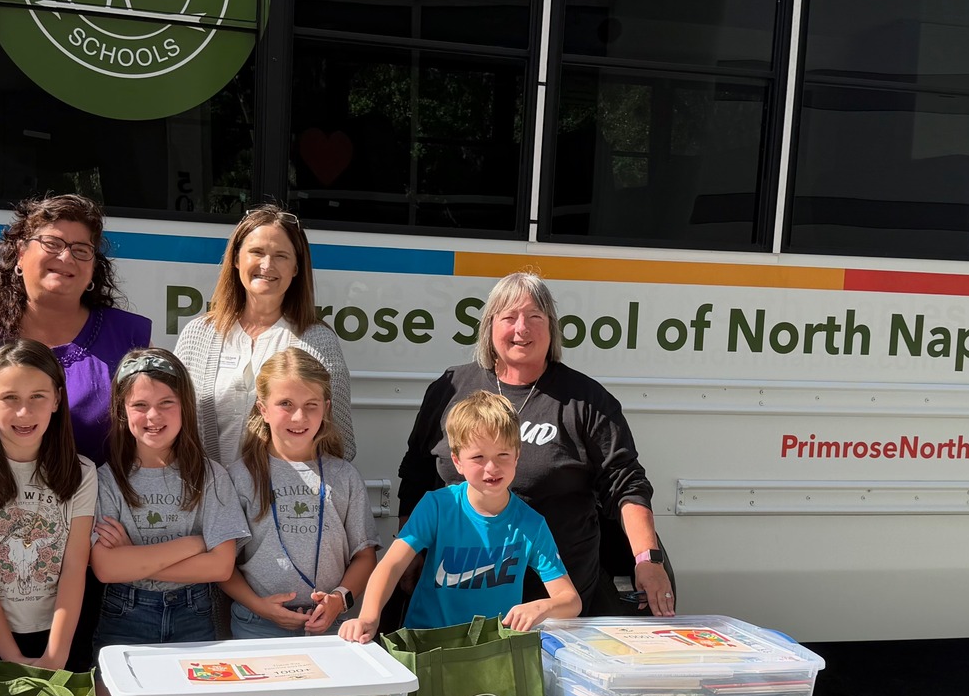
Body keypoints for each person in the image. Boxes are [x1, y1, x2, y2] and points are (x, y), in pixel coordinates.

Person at [398, 272, 675, 617]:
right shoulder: (451, 388)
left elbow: (626, 484)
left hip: (555, 607)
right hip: (455, 604)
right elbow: (417, 473)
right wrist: (408, 551)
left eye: (534, 317)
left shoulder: (586, 401)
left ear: (552, 327)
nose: (522, 328)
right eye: (509, 317)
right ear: (489, 325)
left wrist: (648, 560)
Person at [0, 193, 151, 463]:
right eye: (52, 243)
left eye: (81, 250)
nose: (66, 257)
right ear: (21, 254)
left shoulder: (130, 338)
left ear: (93, 268)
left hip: (101, 492)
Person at [342, 392, 581, 642]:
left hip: (492, 651)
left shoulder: (531, 524)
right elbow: (391, 565)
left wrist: (542, 607)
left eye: (503, 455)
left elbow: (570, 601)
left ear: (517, 456)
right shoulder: (437, 506)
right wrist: (369, 617)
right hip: (426, 646)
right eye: (478, 457)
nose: (492, 467)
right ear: (457, 461)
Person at [0, 339, 97, 667]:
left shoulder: (82, 472)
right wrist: (12, 656)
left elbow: (74, 567)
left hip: (60, 637)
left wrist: (56, 654)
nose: (24, 412)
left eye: (38, 396)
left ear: (57, 399)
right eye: (10, 398)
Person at [173, 205, 355, 464]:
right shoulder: (198, 335)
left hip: (285, 490)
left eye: (281, 256)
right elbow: (173, 425)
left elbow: (340, 443)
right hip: (205, 488)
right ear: (236, 259)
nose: (267, 265)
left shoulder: (318, 341)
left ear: (296, 267)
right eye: (257, 252)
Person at [90, 349, 248, 647]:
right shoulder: (106, 480)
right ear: (122, 410)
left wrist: (134, 559)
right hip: (124, 614)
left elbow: (220, 567)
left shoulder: (211, 476)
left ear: (185, 406)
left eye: (166, 403)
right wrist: (195, 544)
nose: (153, 415)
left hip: (194, 614)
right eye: (140, 405)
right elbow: (106, 568)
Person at [222, 349, 377, 639]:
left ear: (326, 409)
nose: (299, 416)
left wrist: (339, 599)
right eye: (286, 404)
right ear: (263, 409)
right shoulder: (239, 477)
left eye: (311, 405)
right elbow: (222, 565)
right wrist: (259, 606)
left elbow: (365, 556)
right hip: (258, 625)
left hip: (331, 623)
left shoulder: (344, 476)